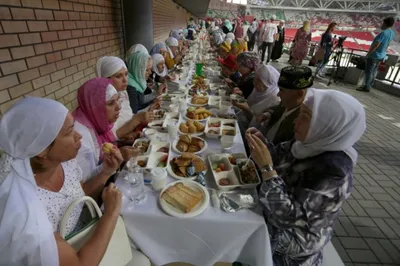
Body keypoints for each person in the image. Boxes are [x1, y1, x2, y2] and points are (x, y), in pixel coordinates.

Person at [0, 97, 150, 266]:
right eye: (69, 131)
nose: (78, 135)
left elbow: (78, 194)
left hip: (84, 233)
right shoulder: (28, 212)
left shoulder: (63, 162)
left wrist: (106, 172)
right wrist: (111, 214)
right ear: (41, 149)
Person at [246, 87, 366, 266]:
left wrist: (266, 168)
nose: (296, 122)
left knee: (242, 229)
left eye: (306, 117)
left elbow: (287, 218)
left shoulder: (335, 172)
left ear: (328, 125)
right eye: (300, 113)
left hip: (297, 238)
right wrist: (263, 145)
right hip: (275, 204)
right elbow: (278, 155)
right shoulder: (309, 142)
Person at [73, 78, 138, 182]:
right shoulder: (81, 137)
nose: (119, 107)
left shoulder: (96, 120)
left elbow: (103, 148)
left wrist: (121, 144)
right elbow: (87, 185)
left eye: (118, 100)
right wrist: (117, 156)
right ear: (95, 107)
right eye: (111, 103)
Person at [96, 56, 152, 143]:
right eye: (118, 76)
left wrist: (135, 128)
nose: (125, 80)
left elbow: (128, 115)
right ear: (106, 79)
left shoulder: (122, 92)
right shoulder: (101, 101)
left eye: (126, 74)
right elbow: (110, 135)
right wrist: (136, 120)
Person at [259, 66, 312, 144]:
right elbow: (277, 108)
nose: (278, 94)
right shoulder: (289, 102)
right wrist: (268, 114)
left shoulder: (302, 122)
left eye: (282, 90)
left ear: (300, 94)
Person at [233, 64, 280, 130]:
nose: (254, 83)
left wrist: (247, 109)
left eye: (258, 81)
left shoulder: (275, 98)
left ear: (268, 84)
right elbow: (249, 103)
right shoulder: (258, 90)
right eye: (255, 78)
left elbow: (261, 125)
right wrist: (241, 96)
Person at [358, 17, 395, 92]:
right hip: (381, 55)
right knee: (374, 72)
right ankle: (369, 85)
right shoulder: (392, 33)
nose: (381, 24)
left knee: (369, 71)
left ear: (385, 23)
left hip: (374, 55)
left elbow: (376, 45)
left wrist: (368, 54)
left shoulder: (383, 33)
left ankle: (366, 86)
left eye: (383, 23)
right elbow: (388, 44)